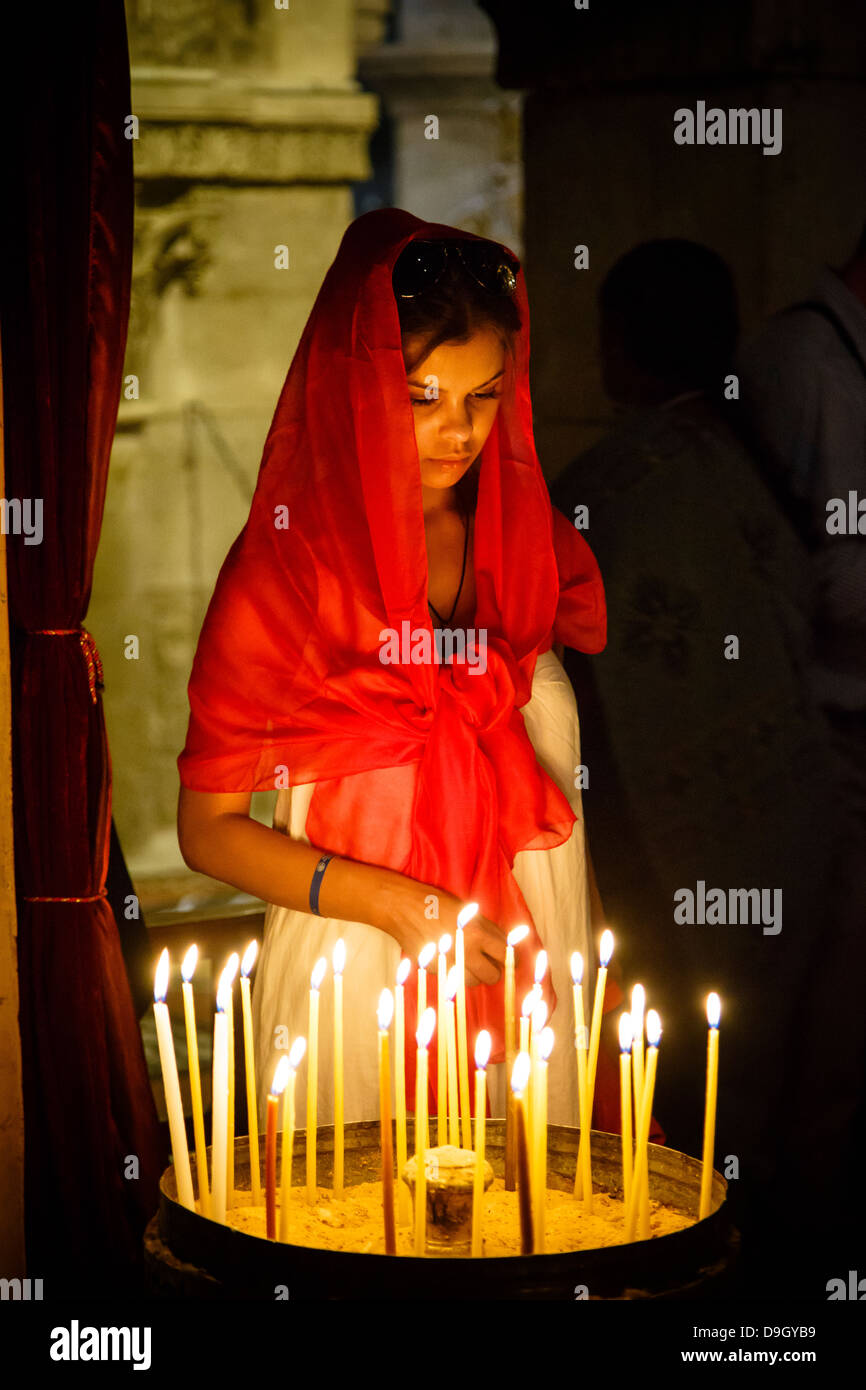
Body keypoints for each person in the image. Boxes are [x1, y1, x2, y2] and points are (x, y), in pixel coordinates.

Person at [175, 208, 628, 1151]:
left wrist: (583, 940)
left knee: (537, 1238)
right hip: (363, 956)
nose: (457, 431)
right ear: (358, 387)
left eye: (484, 395)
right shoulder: (292, 572)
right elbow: (207, 831)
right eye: (423, 395)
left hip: (528, 943)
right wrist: (400, 906)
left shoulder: (522, 542)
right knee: (367, 1232)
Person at [551, 240, 840, 1285]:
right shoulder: (739, 452)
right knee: (768, 1095)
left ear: (614, 348)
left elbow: (575, 714)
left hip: (675, 860)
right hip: (796, 830)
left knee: (690, 1103)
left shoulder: (596, 495)